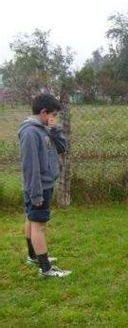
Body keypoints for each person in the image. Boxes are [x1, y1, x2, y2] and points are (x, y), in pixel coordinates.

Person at [18, 93, 71, 277]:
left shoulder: (44, 128)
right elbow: (30, 167)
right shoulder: (31, 132)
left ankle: (33, 256)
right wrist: (36, 193)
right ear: (43, 112)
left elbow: (62, 148)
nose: (55, 118)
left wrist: (54, 130)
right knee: (39, 225)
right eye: (54, 115)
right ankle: (45, 269)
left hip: (43, 185)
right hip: (38, 186)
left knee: (32, 220)